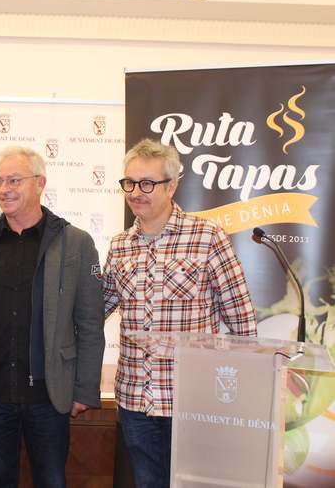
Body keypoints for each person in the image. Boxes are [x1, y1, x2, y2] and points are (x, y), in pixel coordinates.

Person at [102, 139, 257, 488]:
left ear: (172, 185)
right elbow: (97, 308)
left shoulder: (207, 237)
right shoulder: (119, 245)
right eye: (129, 183)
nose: (135, 192)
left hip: (191, 399)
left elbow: (241, 319)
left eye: (147, 183)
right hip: (135, 399)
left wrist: (241, 393)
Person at [0, 146, 105, 488]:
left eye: (14, 180)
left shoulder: (76, 243)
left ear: (40, 183)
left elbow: (91, 324)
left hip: (50, 395)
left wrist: (84, 389)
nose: (4, 188)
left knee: (51, 481)